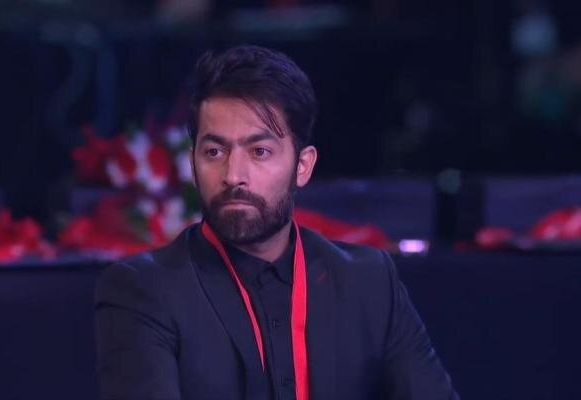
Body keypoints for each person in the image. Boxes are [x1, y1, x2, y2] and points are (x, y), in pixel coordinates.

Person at [95, 45, 459, 400]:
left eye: (260, 152)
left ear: (303, 166)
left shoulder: (368, 283)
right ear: (193, 163)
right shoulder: (145, 289)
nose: (233, 175)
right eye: (214, 152)